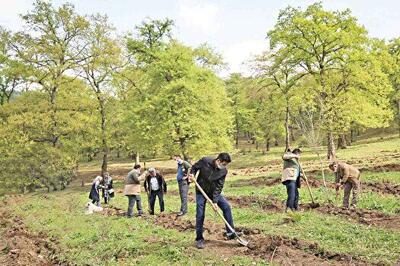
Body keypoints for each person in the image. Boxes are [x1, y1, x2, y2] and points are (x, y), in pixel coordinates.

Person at [189, 152, 240, 249]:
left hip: (213, 192)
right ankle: (199, 239)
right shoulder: (205, 161)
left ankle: (230, 232)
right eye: (223, 164)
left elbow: (219, 186)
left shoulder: (223, 171)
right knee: (200, 214)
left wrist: (215, 201)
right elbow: (194, 167)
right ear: (218, 160)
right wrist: (192, 174)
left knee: (226, 207)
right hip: (201, 191)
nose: (224, 166)